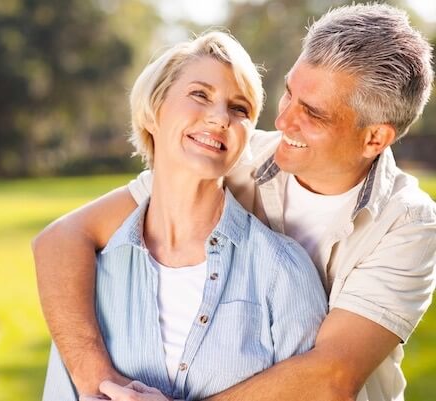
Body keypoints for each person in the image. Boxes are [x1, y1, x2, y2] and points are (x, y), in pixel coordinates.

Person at [33, 4, 436, 401]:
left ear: (374, 139)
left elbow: (331, 377)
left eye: (311, 113)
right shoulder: (236, 155)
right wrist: (96, 381)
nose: (281, 123)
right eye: (289, 95)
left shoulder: (408, 224)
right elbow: (64, 237)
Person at [41, 31, 327, 401]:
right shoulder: (86, 274)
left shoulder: (283, 271)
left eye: (240, 109)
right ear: (153, 111)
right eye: (200, 95)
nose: (220, 117)